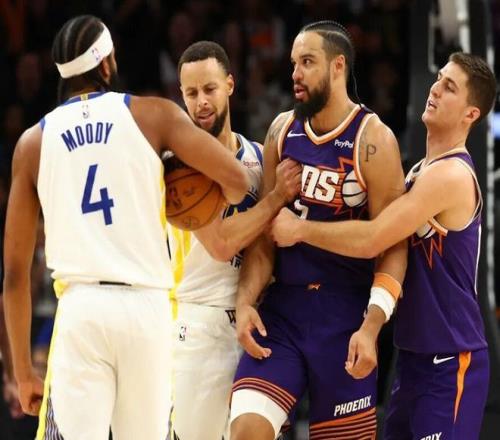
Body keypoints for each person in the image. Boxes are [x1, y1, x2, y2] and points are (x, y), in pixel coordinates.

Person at [2, 15, 249, 440]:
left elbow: (14, 275)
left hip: (82, 309)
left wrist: (23, 372)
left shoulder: (32, 143)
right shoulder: (154, 115)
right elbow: (238, 180)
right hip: (148, 310)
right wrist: (188, 206)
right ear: (106, 62)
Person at [271, 52, 496, 440]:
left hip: (451, 358)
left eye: (449, 87)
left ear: (471, 114)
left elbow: (375, 238)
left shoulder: (452, 175)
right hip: (412, 357)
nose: (435, 89)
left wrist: (300, 229)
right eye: (438, 79)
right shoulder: (418, 172)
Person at [229, 20, 408, 440]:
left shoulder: (374, 140)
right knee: (246, 431)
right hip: (283, 312)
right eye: (294, 63)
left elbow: (394, 245)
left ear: (338, 66)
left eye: (307, 62)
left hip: (345, 316)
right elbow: (264, 238)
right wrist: (245, 300)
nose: (296, 73)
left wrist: (372, 326)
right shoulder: (281, 131)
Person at [168, 41, 301, 440]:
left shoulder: (258, 157)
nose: (201, 102)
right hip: (199, 326)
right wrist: (276, 198)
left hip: (256, 320)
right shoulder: (179, 168)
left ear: (229, 84)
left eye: (209, 89)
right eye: (191, 93)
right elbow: (221, 244)